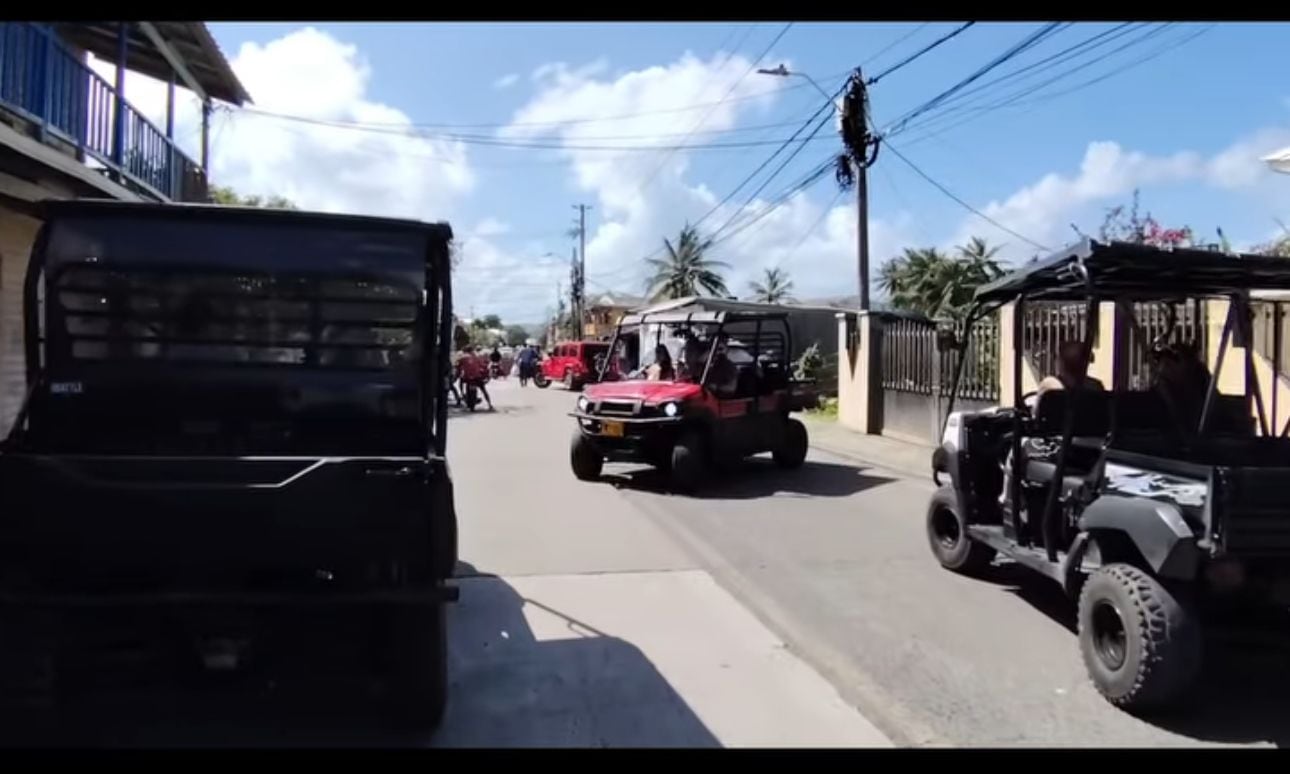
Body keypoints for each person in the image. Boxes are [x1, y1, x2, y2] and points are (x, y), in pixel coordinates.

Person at [459, 345, 494, 410]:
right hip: (477, 376)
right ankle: (489, 404)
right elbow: (482, 365)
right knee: (483, 390)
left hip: (468, 378)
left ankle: (462, 395)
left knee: (461, 383)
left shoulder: (463, 357)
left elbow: (458, 365)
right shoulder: (477, 356)